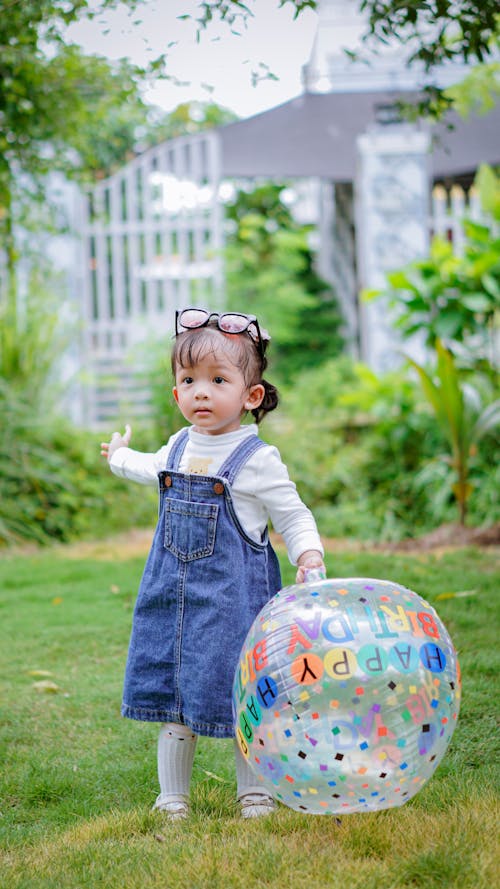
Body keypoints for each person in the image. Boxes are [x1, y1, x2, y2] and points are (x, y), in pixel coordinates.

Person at [100, 308, 325, 821]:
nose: (201, 391)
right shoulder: (178, 446)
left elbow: (293, 513)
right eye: (189, 380)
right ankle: (172, 795)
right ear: (176, 393)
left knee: (242, 693)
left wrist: (308, 552)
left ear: (251, 396)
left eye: (217, 380)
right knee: (174, 694)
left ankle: (255, 791)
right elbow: (147, 467)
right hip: (171, 601)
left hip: (233, 609)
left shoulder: (256, 459)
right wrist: (118, 455)